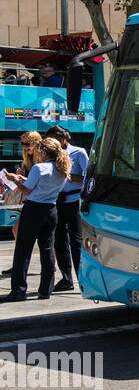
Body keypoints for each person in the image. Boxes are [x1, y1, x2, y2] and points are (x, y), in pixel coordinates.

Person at [2, 137, 70, 301]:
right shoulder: (62, 168)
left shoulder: (39, 168)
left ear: (44, 151)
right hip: (51, 210)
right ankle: (45, 290)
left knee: (23, 250)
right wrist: (23, 180)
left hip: (33, 209)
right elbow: (40, 186)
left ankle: (19, 290)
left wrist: (15, 180)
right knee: (47, 250)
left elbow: (26, 191)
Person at [46, 125, 88, 290]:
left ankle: (82, 278)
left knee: (76, 240)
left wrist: (66, 174)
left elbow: (86, 176)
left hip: (73, 200)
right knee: (59, 240)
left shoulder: (78, 152)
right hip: (57, 200)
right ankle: (66, 278)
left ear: (63, 138)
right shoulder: (52, 155)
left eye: (54, 139)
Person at [1, 132, 44, 279]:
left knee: (44, 236)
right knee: (17, 230)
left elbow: (39, 182)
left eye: (28, 144)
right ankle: (20, 264)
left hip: (39, 201)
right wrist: (18, 175)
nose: (25, 148)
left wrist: (19, 177)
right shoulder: (28, 160)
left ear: (37, 143)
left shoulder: (42, 161)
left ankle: (24, 265)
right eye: (23, 144)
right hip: (29, 200)